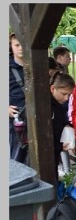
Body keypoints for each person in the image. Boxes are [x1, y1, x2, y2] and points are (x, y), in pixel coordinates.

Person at [49, 73, 74, 170]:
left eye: (69, 94)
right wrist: (59, 147)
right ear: (52, 89)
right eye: (63, 94)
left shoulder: (60, 104)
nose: (66, 98)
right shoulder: (46, 107)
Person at [9, 33, 28, 163]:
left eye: (23, 44)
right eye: (17, 45)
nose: (20, 48)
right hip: (16, 118)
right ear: (11, 46)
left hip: (35, 117)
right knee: (17, 154)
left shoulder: (35, 65)